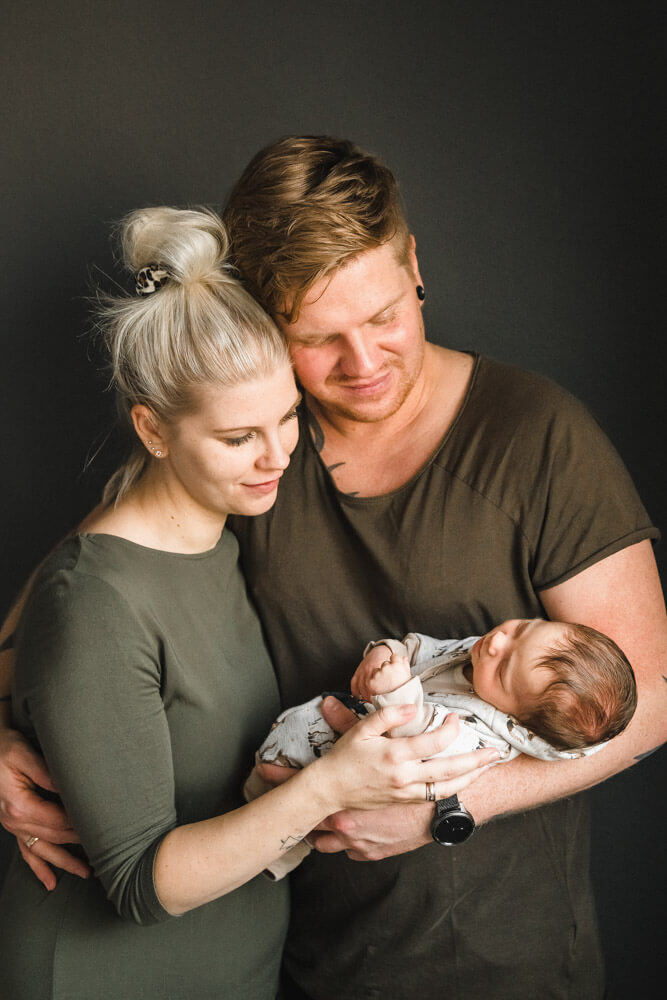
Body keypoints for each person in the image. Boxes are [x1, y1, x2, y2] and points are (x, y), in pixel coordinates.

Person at [0, 136, 665, 999]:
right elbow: (72, 599)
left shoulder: (534, 435)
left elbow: (647, 696)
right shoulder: (254, 450)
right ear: (269, 326)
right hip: (297, 955)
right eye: (317, 338)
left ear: (413, 264)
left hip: (496, 962)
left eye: (383, 315)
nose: (362, 364)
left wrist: (448, 812)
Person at [0, 205, 495, 1000]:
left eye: (287, 418)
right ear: (153, 430)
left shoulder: (225, 529)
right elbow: (137, 884)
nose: (275, 457)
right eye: (237, 438)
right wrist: (331, 787)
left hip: (235, 968)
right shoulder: (97, 592)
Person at [246, 617, 638, 878]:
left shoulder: (483, 736)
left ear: (517, 724)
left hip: (334, 768)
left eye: (503, 668)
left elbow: (427, 740)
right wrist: (388, 652)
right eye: (523, 627)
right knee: (260, 790)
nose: (498, 640)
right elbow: (423, 649)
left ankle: (270, 856)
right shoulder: (486, 653)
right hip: (329, 729)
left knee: (275, 819)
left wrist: (397, 692)